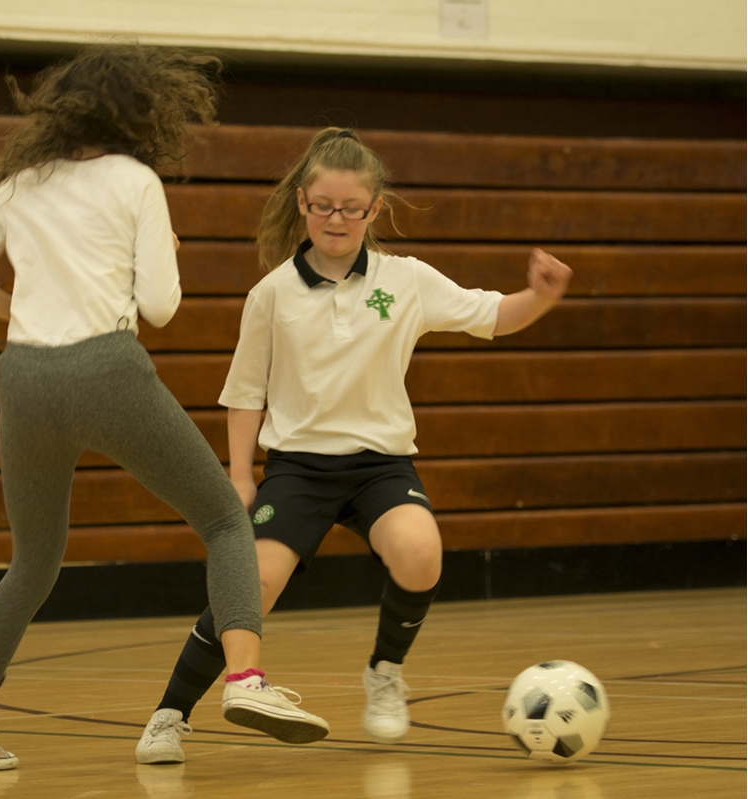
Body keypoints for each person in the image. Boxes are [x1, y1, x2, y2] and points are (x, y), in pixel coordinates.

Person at [0, 45, 328, 772]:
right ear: (138, 111)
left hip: (24, 377)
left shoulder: (18, 184)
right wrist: (162, 253)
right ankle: (244, 678)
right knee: (223, 518)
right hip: (107, 369)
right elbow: (160, 307)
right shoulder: (136, 180)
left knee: (32, 563)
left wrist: (10, 307)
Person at [135, 126, 573, 763]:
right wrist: (239, 475)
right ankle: (170, 715)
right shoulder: (271, 294)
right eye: (322, 206)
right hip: (297, 470)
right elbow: (244, 393)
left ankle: (385, 673)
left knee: (421, 553)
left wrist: (541, 295)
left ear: (374, 209)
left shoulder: (407, 280)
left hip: (380, 467)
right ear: (302, 205)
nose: (335, 219)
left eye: (351, 208)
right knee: (247, 585)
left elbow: (494, 315)